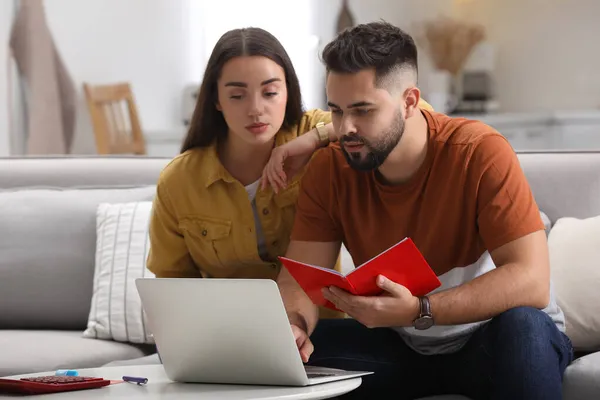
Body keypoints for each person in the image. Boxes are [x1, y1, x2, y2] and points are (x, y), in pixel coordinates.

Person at [272, 21, 573, 400]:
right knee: (282, 360)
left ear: (410, 101)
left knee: (525, 329)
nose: (345, 128)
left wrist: (420, 309)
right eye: (336, 111)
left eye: (363, 111)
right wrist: (294, 324)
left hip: (492, 335)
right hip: (399, 344)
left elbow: (531, 280)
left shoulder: (479, 153)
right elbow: (300, 277)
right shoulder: (330, 169)